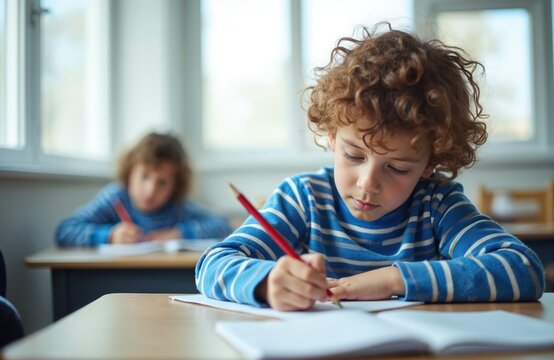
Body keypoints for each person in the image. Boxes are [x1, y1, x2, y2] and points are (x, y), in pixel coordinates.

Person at [195, 23, 545, 310]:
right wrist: (268, 283)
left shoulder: (436, 206)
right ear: (332, 135)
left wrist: (393, 280)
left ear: (429, 163)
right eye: (354, 156)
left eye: (398, 167)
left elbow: (523, 268)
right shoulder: (304, 199)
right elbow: (213, 264)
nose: (367, 183)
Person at [55, 132, 232, 246]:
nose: (150, 190)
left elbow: (222, 225)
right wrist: (110, 235)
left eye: (162, 182)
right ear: (129, 171)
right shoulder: (114, 199)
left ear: (175, 186)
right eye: (144, 176)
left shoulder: (177, 207)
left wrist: (179, 233)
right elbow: (65, 230)